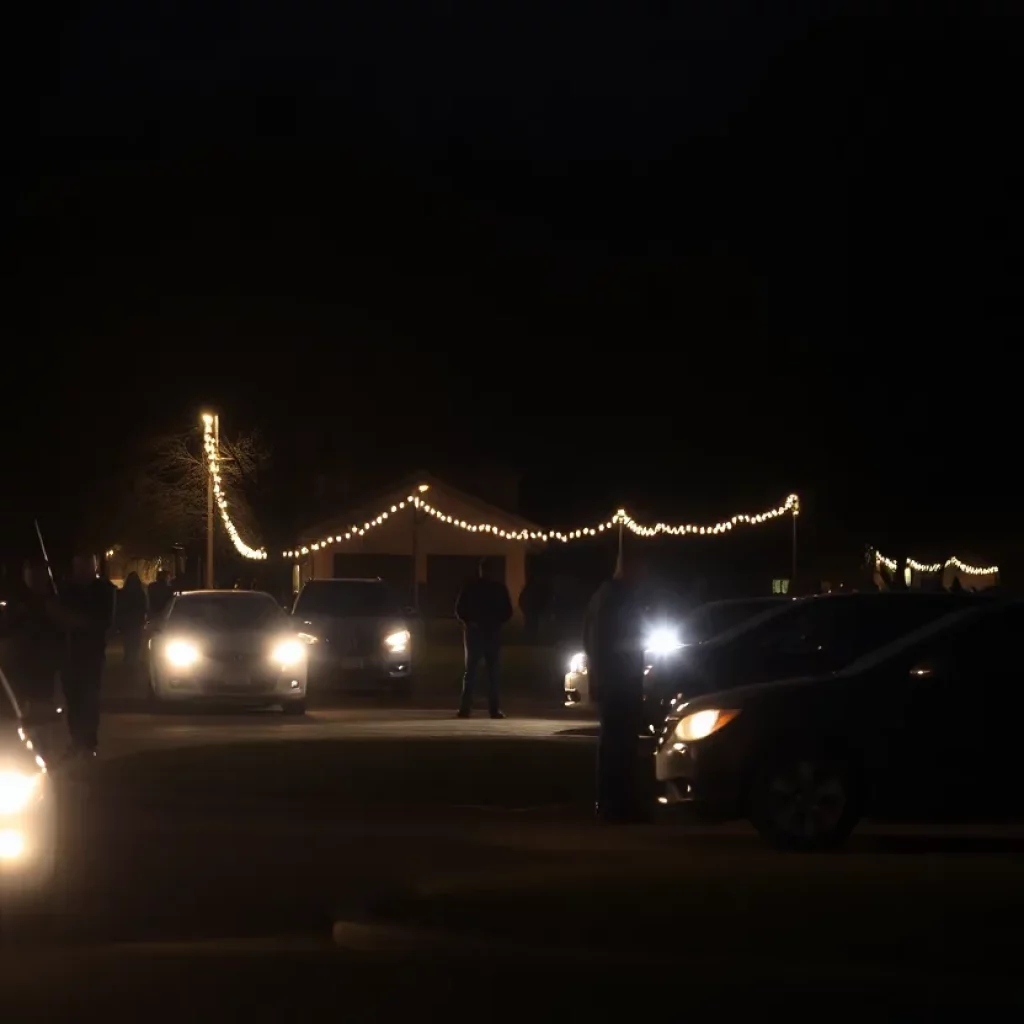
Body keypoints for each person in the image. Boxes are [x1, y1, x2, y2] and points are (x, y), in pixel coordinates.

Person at [582, 552, 648, 823]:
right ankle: (614, 805)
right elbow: (598, 641)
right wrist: (601, 678)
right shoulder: (613, 597)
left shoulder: (612, 596)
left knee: (620, 742)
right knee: (617, 743)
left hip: (620, 677)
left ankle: (618, 803)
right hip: (617, 679)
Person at [59, 554, 115, 759]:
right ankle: (76, 740)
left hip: (91, 653)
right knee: (73, 699)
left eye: (84, 567)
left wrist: (72, 619)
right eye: (77, 567)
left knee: (89, 698)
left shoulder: (102, 590)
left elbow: (102, 621)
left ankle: (89, 741)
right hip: (70, 654)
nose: (80, 571)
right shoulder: (67, 589)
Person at [0, 559, 64, 719]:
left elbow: (61, 629)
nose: (34, 578)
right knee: (25, 704)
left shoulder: (55, 598)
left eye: (39, 574)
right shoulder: (17, 600)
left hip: (46, 661)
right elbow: (7, 628)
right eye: (30, 574)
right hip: (22, 662)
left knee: (44, 702)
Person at [455, 557, 513, 719]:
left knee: (477, 672)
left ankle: (468, 708)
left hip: (482, 632)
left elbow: (460, 609)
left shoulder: (473, 587)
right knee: (485, 672)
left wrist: (470, 622)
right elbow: (508, 611)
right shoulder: (494, 588)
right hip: (484, 632)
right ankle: (488, 709)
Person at [117, 571, 148, 669]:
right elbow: (143, 607)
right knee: (135, 639)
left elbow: (120, 606)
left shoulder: (124, 593)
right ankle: (133, 657)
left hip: (128, 620)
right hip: (135, 620)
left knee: (128, 639)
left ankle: (129, 657)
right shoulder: (140, 593)